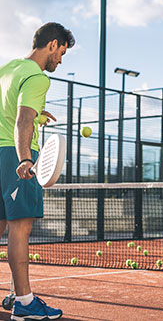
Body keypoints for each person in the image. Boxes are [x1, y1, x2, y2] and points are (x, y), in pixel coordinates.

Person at [0, 22, 75, 321]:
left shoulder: (8, 70)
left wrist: (37, 117)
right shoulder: (37, 77)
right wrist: (24, 159)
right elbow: (21, 120)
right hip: (16, 156)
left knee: (1, 224)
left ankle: (18, 291)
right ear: (53, 44)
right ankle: (25, 303)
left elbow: (8, 111)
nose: (60, 60)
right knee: (21, 227)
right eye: (62, 53)